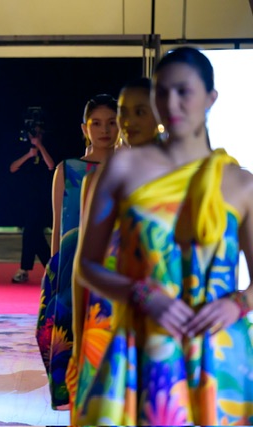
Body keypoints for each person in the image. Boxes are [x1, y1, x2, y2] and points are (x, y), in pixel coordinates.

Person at [73, 46, 253, 425]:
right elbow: (87, 265)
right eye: (162, 92)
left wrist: (236, 305)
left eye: (184, 91)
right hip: (146, 338)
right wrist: (141, 294)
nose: (171, 103)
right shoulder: (123, 167)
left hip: (220, 348)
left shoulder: (240, 183)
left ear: (211, 98)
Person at [66, 77, 161, 416]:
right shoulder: (98, 179)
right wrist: (78, 340)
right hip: (104, 313)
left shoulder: (188, 178)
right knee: (102, 409)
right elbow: (82, 263)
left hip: (162, 317)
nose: (129, 122)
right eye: (124, 113)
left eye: (140, 111)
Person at [36, 94, 119, 410]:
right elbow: (58, 226)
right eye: (96, 123)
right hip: (71, 268)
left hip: (117, 269)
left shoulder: (132, 170)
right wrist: (54, 272)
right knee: (60, 335)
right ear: (85, 128)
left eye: (112, 122)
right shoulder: (67, 169)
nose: (104, 130)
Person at [9, 122, 55, 283]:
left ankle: (25, 269)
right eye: (33, 134)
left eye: (39, 133)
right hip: (26, 199)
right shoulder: (23, 149)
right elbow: (13, 168)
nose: (35, 136)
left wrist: (40, 147)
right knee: (34, 235)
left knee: (31, 233)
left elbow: (51, 166)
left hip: (43, 199)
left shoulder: (47, 148)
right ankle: (52, 268)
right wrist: (29, 155)